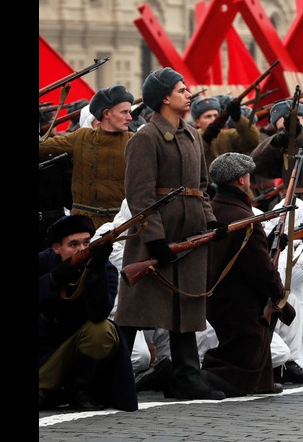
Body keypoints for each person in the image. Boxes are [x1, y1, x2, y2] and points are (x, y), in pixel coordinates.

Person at [115, 67, 225, 400]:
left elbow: (201, 187)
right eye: (181, 89)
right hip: (159, 235)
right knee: (136, 308)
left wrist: (209, 221)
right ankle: (112, 375)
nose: (188, 94)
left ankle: (187, 377)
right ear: (164, 98)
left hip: (190, 232)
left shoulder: (191, 135)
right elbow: (140, 195)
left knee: (186, 307)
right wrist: (155, 238)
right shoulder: (145, 137)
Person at [200, 153, 290, 396]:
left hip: (217, 295)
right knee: (241, 360)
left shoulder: (213, 209)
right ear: (241, 180)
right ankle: (209, 377)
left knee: (254, 349)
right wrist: (279, 294)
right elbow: (260, 267)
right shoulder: (244, 217)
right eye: (247, 175)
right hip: (240, 300)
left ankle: (261, 383)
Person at [39, 215, 137, 411]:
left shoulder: (103, 268)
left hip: (79, 345)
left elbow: (98, 314)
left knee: (102, 330)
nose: (82, 250)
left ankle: (80, 391)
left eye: (86, 243)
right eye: (73, 245)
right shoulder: (43, 261)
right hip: (45, 352)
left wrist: (95, 271)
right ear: (56, 248)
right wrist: (56, 277)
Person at [38, 85, 135, 228]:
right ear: (106, 113)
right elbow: (43, 148)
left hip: (118, 224)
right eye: (124, 112)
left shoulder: (133, 141)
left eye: (129, 112)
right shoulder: (82, 136)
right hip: (83, 226)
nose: (130, 117)